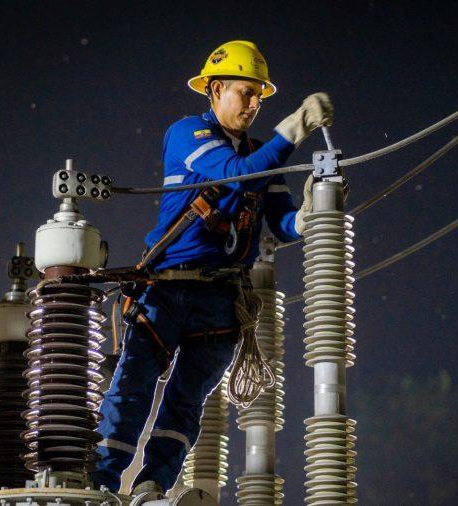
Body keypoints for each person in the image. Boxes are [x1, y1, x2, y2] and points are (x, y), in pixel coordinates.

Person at [91, 40, 333, 495]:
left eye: (259, 95)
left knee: (185, 404)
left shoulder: (261, 155)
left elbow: (279, 225)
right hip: (166, 289)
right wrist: (294, 128)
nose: (254, 104)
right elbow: (236, 173)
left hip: (221, 300)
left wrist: (305, 218)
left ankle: (152, 487)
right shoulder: (188, 134)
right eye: (246, 92)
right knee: (131, 391)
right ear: (216, 89)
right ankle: (100, 485)